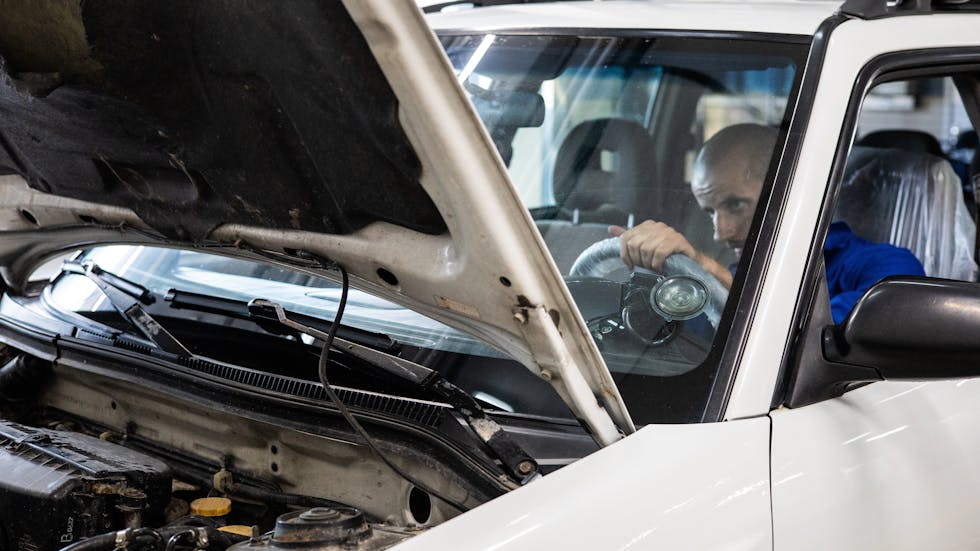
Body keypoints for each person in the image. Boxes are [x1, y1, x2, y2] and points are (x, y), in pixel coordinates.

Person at [610, 123, 924, 323]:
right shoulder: (743, 275)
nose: (722, 233)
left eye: (735, 205)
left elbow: (811, 337)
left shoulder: (889, 267)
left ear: (790, 190)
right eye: (710, 212)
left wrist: (708, 271)